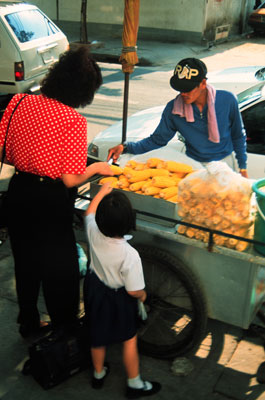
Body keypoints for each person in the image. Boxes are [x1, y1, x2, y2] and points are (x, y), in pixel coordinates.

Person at [0, 46, 113, 338]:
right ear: (83, 90)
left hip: (18, 191)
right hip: (50, 201)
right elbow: (70, 178)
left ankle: (29, 322)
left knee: (25, 262)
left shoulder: (19, 102)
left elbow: (6, 154)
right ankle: (64, 332)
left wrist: (33, 160)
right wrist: (98, 168)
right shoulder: (73, 121)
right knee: (58, 267)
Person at [108, 57, 248, 178]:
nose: (183, 94)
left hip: (226, 165)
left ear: (203, 83)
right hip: (194, 167)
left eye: (188, 89)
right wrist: (126, 147)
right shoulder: (173, 110)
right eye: (180, 89)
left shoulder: (227, 100)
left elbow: (238, 135)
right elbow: (157, 140)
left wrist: (242, 167)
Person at [83, 182, 161, 398]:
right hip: (118, 298)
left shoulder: (92, 231)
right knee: (129, 339)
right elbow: (134, 291)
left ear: (100, 220)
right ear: (129, 222)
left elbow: (88, 213)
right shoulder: (130, 255)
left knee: (97, 336)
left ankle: (98, 374)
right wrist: (143, 296)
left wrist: (101, 194)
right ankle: (134, 383)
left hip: (95, 291)